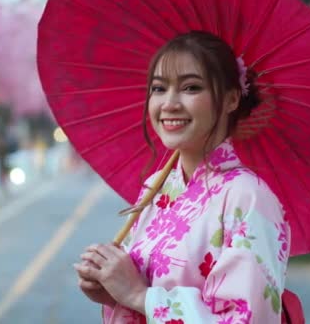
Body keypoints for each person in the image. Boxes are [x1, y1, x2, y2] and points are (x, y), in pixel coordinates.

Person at [74, 31, 291, 323]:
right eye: (159, 88)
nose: (169, 104)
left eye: (190, 87)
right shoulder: (156, 187)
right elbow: (138, 296)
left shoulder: (248, 197)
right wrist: (113, 292)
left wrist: (139, 296)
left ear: (231, 98)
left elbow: (247, 318)